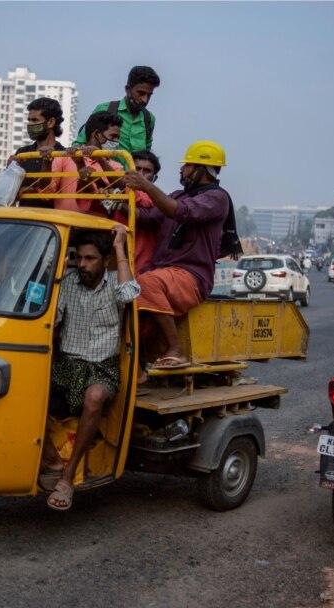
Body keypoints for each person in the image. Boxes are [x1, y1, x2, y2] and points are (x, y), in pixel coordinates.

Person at [41, 226, 140, 511]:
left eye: (90, 258)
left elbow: (129, 295)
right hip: (68, 365)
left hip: (102, 368)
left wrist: (120, 247)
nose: (82, 264)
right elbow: (54, 318)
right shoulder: (68, 282)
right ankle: (50, 461)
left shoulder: (114, 283)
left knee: (94, 397)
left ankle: (68, 477)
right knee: (25, 388)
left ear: (105, 260)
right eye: (79, 258)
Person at [121, 140, 240, 370]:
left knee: (145, 283)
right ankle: (140, 369)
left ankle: (176, 349)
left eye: (186, 166)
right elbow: (148, 217)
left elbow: (180, 212)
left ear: (201, 170)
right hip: (165, 272)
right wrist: (114, 203)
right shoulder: (179, 194)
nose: (182, 170)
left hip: (191, 276)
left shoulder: (217, 198)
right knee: (133, 316)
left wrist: (145, 186)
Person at [74, 66, 160, 153]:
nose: (145, 100)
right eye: (141, 93)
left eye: (149, 95)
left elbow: (147, 154)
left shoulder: (148, 119)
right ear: (128, 90)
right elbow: (80, 144)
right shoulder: (106, 109)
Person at [56, 111, 126, 216]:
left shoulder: (116, 166)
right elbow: (46, 191)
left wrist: (100, 159)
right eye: (113, 136)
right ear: (97, 134)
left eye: (118, 138)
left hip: (96, 227)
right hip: (62, 225)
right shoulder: (65, 157)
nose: (116, 142)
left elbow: (121, 188)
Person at [10, 97, 68, 206]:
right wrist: (10, 169)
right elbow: (10, 193)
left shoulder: (63, 155)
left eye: (35, 120)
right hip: (24, 218)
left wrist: (30, 190)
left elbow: (57, 189)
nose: (30, 124)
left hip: (50, 220)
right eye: (29, 120)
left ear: (50, 122)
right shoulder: (22, 153)